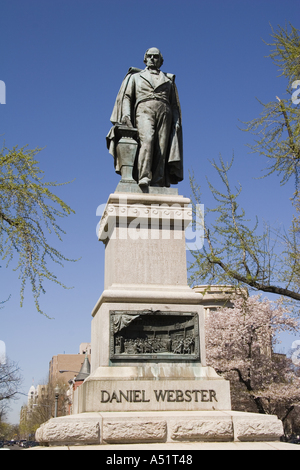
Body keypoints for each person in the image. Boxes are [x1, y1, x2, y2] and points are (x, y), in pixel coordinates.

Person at [107, 48, 183, 188]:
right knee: (147, 140)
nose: (152, 59)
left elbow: (174, 105)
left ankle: (158, 181)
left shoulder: (168, 80)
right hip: (143, 110)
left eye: (155, 56)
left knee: (161, 147)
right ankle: (144, 176)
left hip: (165, 112)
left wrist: (176, 121)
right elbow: (127, 97)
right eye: (149, 56)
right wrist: (126, 115)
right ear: (145, 59)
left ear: (161, 60)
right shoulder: (135, 77)